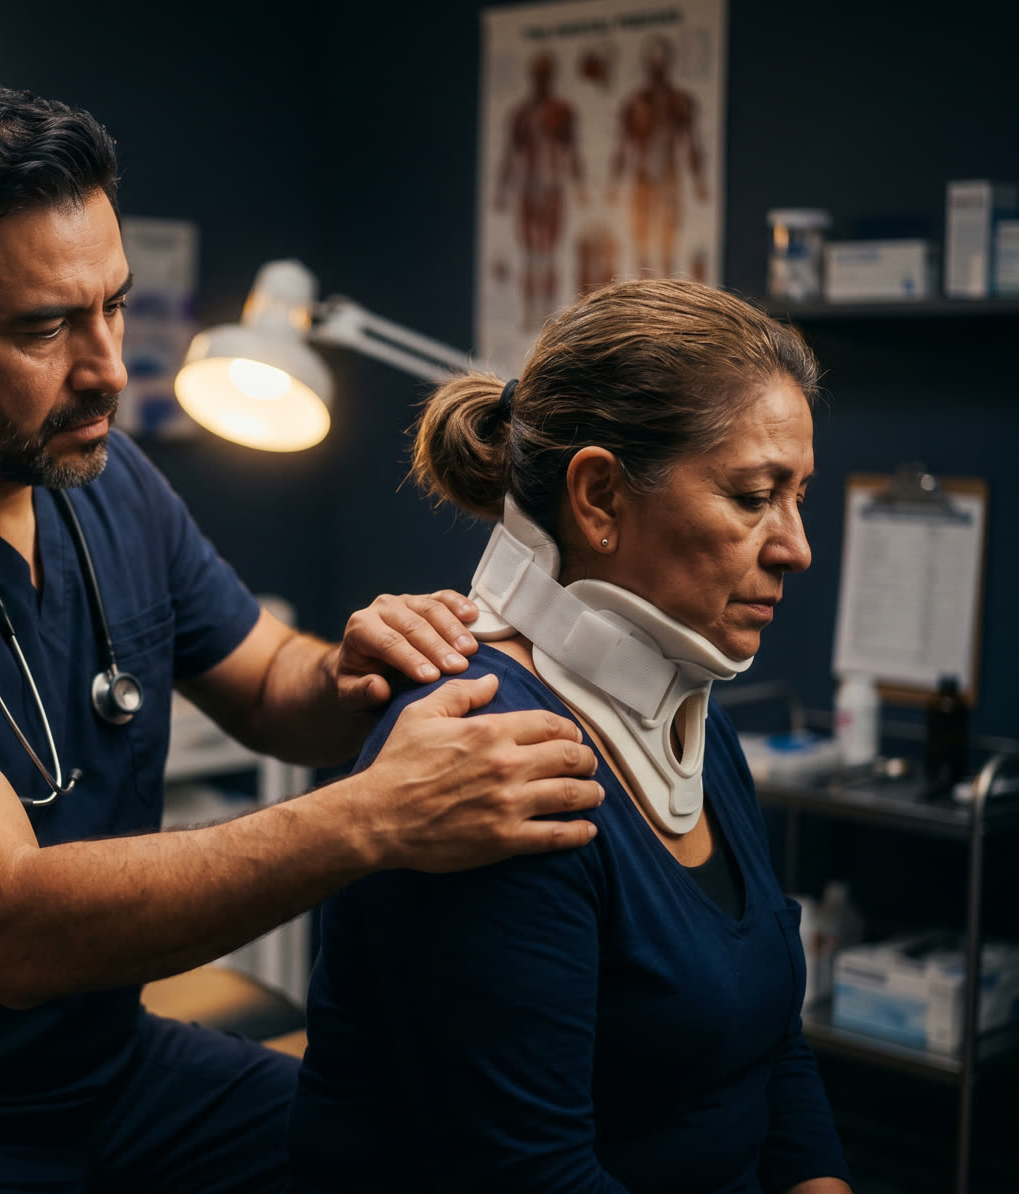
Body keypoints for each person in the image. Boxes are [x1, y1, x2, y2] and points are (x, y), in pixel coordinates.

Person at [0, 84, 604, 1192]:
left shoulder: (101, 477)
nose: (109, 367)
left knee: (406, 1164)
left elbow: (265, 682)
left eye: (112, 306)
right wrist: (374, 817)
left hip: (102, 1071)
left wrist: (354, 671)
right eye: (43, 328)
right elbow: (12, 928)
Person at [288, 277, 854, 1194]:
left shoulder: (694, 728)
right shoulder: (484, 759)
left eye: (798, 496)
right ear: (598, 499)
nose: (796, 546)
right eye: (754, 496)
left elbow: (772, 1048)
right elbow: (531, 1174)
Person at [494, 51, 586, 331]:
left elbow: (572, 151)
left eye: (547, 74)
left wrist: (581, 187)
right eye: (539, 74)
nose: (542, 79)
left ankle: (548, 314)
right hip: (528, 187)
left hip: (553, 187)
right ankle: (529, 311)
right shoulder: (521, 114)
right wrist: (503, 190)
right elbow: (510, 154)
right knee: (529, 255)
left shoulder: (563, 111)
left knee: (549, 254)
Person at [607, 35, 709, 278]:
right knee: (641, 241)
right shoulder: (635, 102)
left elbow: (691, 142)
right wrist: (613, 185)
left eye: (660, 63)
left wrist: (698, 181)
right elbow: (623, 147)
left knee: (667, 242)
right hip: (643, 176)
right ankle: (642, 292)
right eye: (653, 63)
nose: (657, 68)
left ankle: (665, 292)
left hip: (668, 174)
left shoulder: (679, 101)